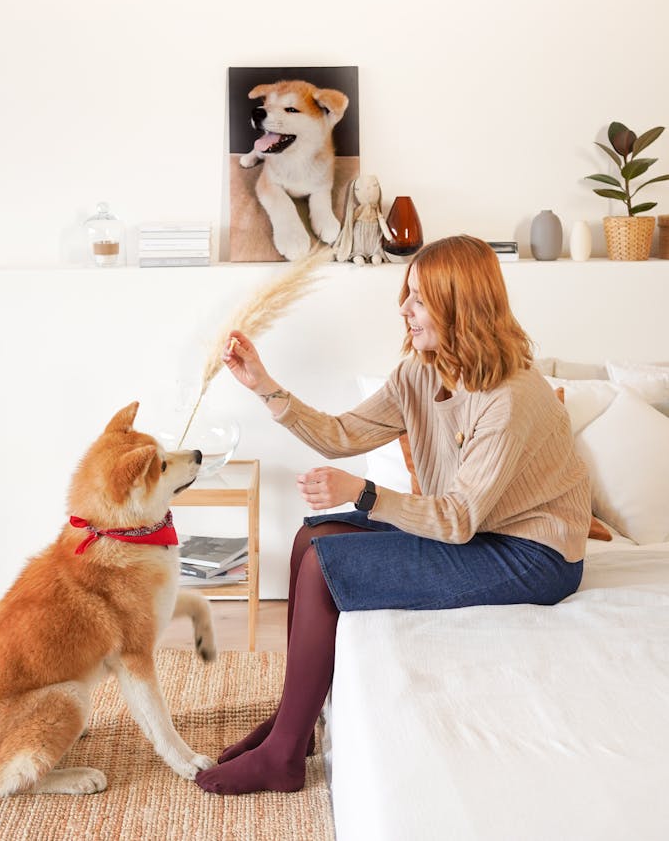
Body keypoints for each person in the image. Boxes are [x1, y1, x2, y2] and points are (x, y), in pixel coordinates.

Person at [195, 235, 591, 796]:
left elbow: (457, 520)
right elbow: (340, 435)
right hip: (476, 530)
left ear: (462, 306)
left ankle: (282, 757)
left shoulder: (512, 398)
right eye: (406, 295)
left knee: (324, 568)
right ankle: (296, 723)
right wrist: (265, 386)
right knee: (312, 541)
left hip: (533, 554)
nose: (403, 310)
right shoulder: (419, 373)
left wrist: (365, 493)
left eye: (419, 299)